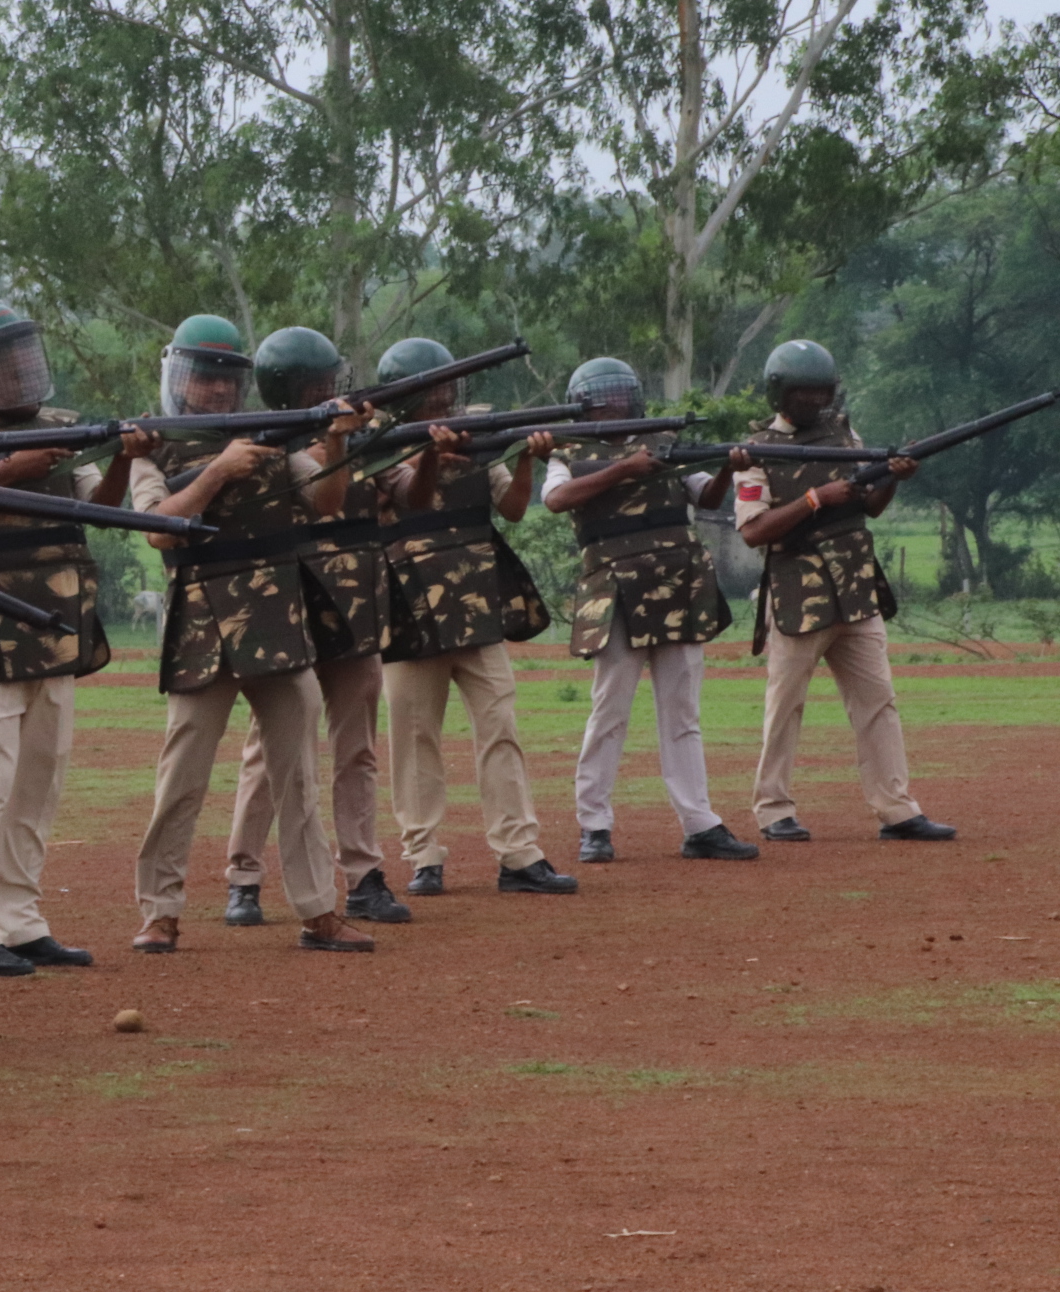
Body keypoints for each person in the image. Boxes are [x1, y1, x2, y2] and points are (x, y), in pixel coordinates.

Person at [125, 316, 381, 955]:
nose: (214, 392)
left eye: (223, 380)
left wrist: (336, 440)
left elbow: (325, 502)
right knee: (181, 777)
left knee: (297, 775)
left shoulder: (270, 437)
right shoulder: (153, 447)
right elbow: (158, 528)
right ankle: (161, 912)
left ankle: (319, 909)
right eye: (202, 379)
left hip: (277, 623)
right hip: (201, 628)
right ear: (178, 379)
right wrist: (219, 472)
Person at [0, 304, 156, 976]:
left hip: (54, 621)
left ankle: (20, 919)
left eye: (25, 357)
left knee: (38, 779)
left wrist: (122, 461)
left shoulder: (61, 429)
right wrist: (13, 470)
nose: (19, 371)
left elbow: (102, 510)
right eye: (2, 361)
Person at [210, 327, 411, 930]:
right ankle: (244, 877)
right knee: (269, 754)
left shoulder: (359, 437)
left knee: (358, 748)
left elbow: (396, 500)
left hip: (351, 601)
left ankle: (362, 873)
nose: (324, 392)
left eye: (328, 382)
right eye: (310, 386)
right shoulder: (251, 442)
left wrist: (349, 438)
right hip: (289, 601)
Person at [373, 337, 579, 896]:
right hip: (409, 608)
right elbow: (411, 498)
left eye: (446, 389)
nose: (442, 401)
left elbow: (511, 509)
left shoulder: (474, 438)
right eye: (430, 392)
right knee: (414, 738)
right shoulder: (376, 448)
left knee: (500, 727)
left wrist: (525, 462)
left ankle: (519, 855)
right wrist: (434, 454)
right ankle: (423, 856)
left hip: (475, 602)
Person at [730, 340, 954, 842]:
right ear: (780, 393)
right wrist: (815, 498)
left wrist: (894, 478)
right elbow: (753, 532)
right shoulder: (756, 451)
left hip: (856, 586)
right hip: (797, 594)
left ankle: (897, 809)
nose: (814, 401)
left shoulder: (845, 433)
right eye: (803, 392)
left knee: (878, 701)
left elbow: (869, 506)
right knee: (785, 705)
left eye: (821, 391)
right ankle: (773, 810)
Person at [540, 357, 757, 863]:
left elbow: (707, 495)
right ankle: (594, 824)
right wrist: (623, 470)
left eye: (622, 396)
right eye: (605, 398)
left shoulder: (664, 440)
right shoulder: (565, 451)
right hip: (613, 587)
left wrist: (730, 464)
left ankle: (699, 822)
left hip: (677, 582)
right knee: (609, 709)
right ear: (585, 406)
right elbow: (556, 499)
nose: (616, 405)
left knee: (682, 710)